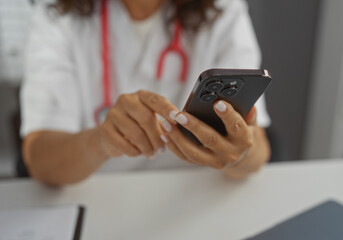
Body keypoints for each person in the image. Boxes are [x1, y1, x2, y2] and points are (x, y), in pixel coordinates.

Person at [21, 0, 271, 186]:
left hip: (195, 195)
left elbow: (257, 148)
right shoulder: (55, 13)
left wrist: (239, 153)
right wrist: (101, 141)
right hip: (100, 195)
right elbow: (40, 158)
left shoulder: (223, 9)